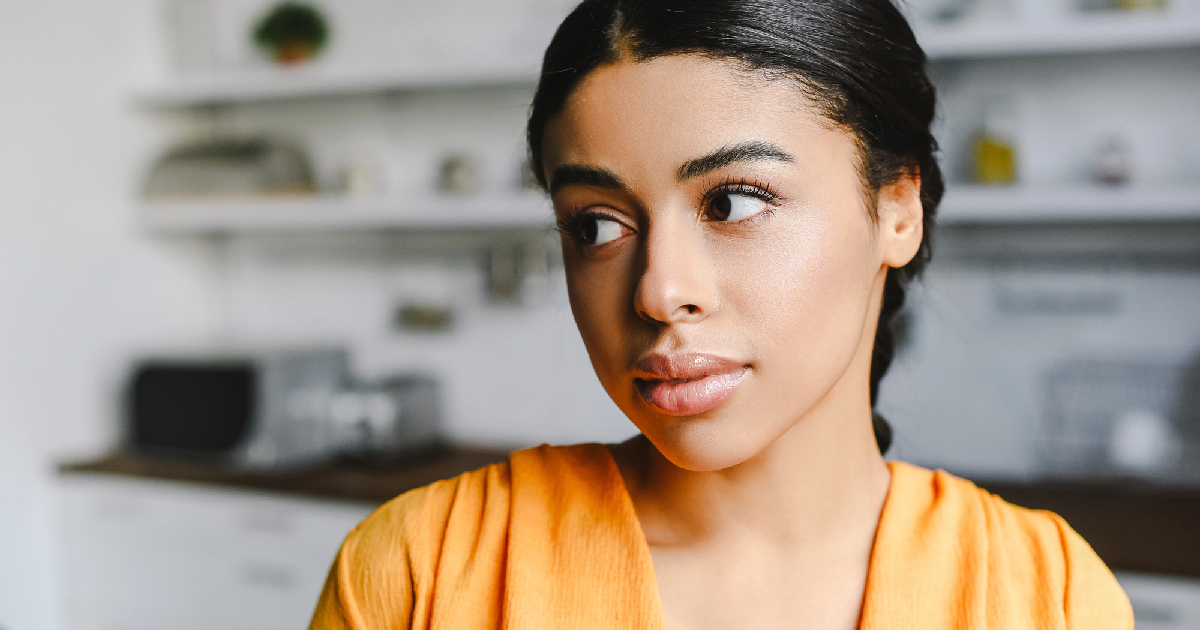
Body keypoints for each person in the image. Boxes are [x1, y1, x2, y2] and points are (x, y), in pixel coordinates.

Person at [309, 1, 1133, 628]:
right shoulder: (424, 571)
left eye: (734, 202)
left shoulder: (1046, 596)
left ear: (897, 209)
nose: (659, 292)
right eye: (597, 224)